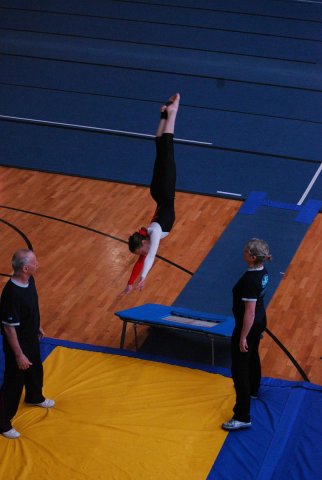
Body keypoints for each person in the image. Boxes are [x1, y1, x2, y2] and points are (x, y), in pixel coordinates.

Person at [123, 93, 180, 293]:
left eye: (142, 250)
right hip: (156, 191)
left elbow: (151, 256)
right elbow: (142, 260)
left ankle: (173, 112)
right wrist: (130, 283)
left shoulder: (154, 234)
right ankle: (164, 115)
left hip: (165, 189)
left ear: (144, 243)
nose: (143, 254)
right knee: (160, 149)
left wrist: (144, 278)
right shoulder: (146, 235)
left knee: (167, 148)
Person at [0, 249, 55, 439]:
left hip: (31, 336)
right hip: (18, 343)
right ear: (25, 268)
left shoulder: (29, 280)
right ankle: (3, 422)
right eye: (35, 262)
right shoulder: (11, 294)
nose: (38, 264)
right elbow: (8, 328)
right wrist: (18, 355)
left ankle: (34, 396)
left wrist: (37, 324)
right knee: (13, 382)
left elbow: (31, 306)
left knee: (35, 370)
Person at [222, 238, 271, 431]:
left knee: (239, 368)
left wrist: (242, 336)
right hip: (260, 320)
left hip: (250, 324)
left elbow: (248, 312)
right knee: (252, 356)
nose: (242, 252)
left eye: (245, 251)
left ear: (251, 257)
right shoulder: (262, 272)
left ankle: (242, 416)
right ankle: (254, 389)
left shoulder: (250, 281)